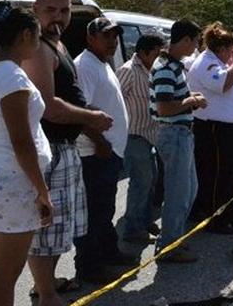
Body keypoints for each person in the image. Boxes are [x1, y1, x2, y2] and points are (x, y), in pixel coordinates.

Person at [21, 0, 113, 305]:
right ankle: (46, 294)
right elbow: (48, 106)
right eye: (50, 10)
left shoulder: (57, 44)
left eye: (64, 11)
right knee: (45, 229)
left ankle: (45, 284)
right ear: (35, 9)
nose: (58, 17)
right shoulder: (37, 48)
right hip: (50, 150)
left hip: (65, 149)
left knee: (59, 230)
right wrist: (90, 117)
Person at [0, 4, 54, 306]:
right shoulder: (12, 79)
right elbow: (22, 143)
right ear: (26, 34)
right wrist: (42, 192)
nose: (39, 42)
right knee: (6, 272)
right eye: (38, 35)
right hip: (14, 183)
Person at [73, 17, 134, 282]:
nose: (112, 41)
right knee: (94, 213)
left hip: (110, 152)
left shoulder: (102, 63)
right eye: (106, 36)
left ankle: (109, 252)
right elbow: (81, 112)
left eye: (115, 36)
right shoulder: (84, 65)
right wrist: (100, 142)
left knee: (105, 208)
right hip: (96, 153)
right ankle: (89, 267)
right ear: (91, 38)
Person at [150, 19, 206, 263]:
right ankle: (169, 246)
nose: (195, 47)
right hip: (173, 134)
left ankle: (174, 238)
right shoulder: (165, 68)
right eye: (195, 42)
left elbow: (172, 99)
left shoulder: (174, 66)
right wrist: (191, 102)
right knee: (178, 193)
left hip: (181, 134)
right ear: (185, 40)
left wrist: (189, 97)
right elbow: (164, 107)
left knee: (189, 190)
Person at [188, 22, 233, 235]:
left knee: (230, 175)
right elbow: (222, 84)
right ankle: (215, 218)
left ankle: (228, 212)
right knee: (216, 175)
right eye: (231, 50)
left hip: (229, 130)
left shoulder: (220, 63)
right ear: (222, 49)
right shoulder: (207, 64)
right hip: (215, 129)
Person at [118, 34, 165, 244]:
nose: (160, 57)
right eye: (156, 53)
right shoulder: (128, 71)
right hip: (133, 135)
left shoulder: (152, 70)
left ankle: (144, 220)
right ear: (144, 52)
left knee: (150, 180)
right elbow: (115, 101)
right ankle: (133, 228)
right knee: (141, 181)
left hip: (149, 135)